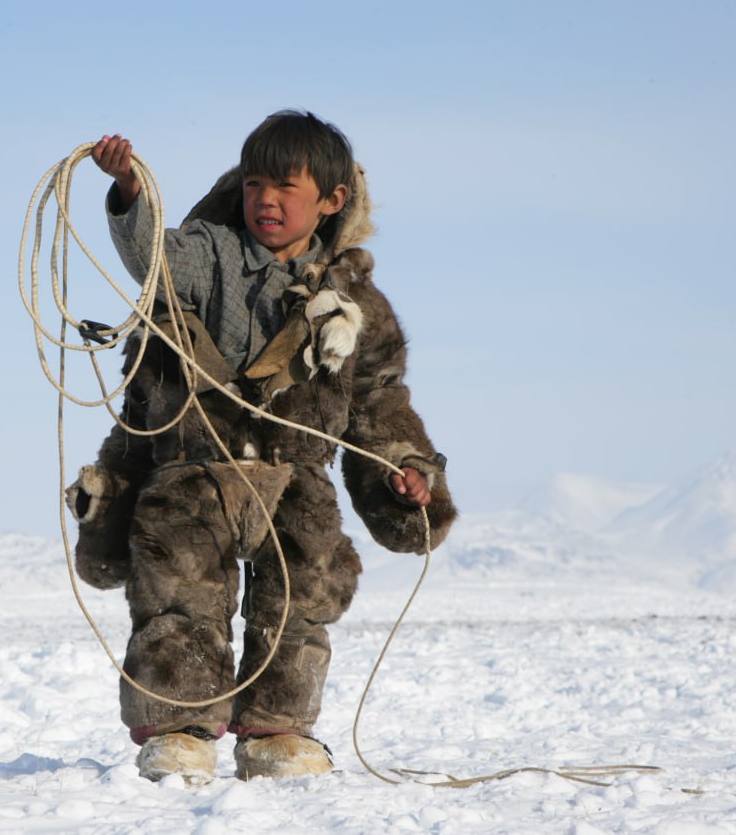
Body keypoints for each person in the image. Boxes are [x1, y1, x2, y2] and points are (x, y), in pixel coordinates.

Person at [63, 110, 457, 783]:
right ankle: (180, 731)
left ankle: (278, 732)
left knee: (302, 596)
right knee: (180, 594)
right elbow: (151, 257)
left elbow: (379, 401)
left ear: (331, 200)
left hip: (296, 476)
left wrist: (405, 470)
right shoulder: (205, 252)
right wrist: (129, 190)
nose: (265, 200)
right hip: (195, 470)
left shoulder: (357, 303)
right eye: (253, 185)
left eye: (284, 186)